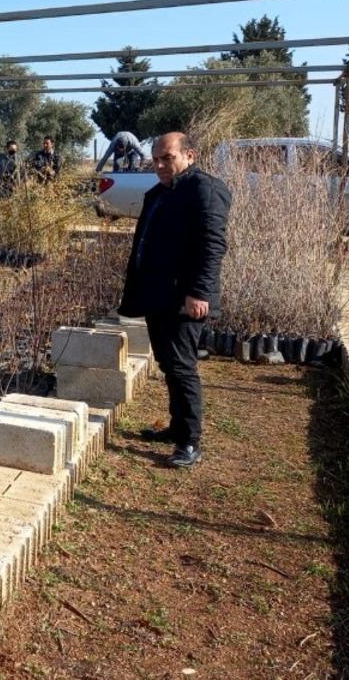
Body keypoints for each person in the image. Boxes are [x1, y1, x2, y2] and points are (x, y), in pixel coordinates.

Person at [119, 132, 231, 468]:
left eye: (168, 158)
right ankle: (176, 426)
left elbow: (213, 246)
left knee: (182, 367)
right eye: (156, 159)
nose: (160, 165)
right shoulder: (161, 193)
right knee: (169, 364)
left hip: (183, 297)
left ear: (190, 156)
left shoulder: (204, 190)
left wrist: (199, 292)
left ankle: (190, 442)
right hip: (158, 295)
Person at [0, 140, 20, 223]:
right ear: (6, 148)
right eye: (11, 149)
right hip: (0, 184)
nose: (13, 151)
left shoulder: (17, 159)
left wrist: (17, 184)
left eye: (15, 149)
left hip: (12, 186)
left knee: (11, 205)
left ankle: (8, 224)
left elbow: (20, 173)